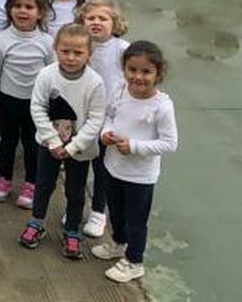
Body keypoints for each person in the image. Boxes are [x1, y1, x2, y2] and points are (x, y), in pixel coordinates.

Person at [20, 24, 107, 260]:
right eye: (65, 51)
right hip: (48, 145)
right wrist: (52, 141)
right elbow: (37, 107)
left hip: (79, 150)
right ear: (56, 49)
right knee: (43, 184)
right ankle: (37, 222)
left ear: (89, 54)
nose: (70, 57)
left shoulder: (95, 82)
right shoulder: (46, 75)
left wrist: (72, 147)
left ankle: (72, 230)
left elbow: (96, 119)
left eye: (78, 53)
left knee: (75, 191)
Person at [95, 40, 179, 284]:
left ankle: (134, 261)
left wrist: (134, 147)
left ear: (159, 73)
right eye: (132, 70)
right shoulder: (120, 90)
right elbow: (109, 116)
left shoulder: (162, 106)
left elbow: (169, 143)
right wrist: (106, 133)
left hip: (140, 177)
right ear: (124, 69)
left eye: (146, 72)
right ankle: (118, 244)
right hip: (113, 168)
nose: (138, 77)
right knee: (116, 213)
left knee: (136, 221)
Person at [0, 0, 54, 209]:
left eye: (29, 7)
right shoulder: (1, 40)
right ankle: (4, 178)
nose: (23, 11)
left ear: (40, 12)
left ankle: (31, 183)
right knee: (7, 142)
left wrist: (54, 107)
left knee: (32, 145)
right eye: (17, 6)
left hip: (36, 104)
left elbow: (53, 76)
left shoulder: (47, 42)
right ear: (9, 10)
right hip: (7, 101)